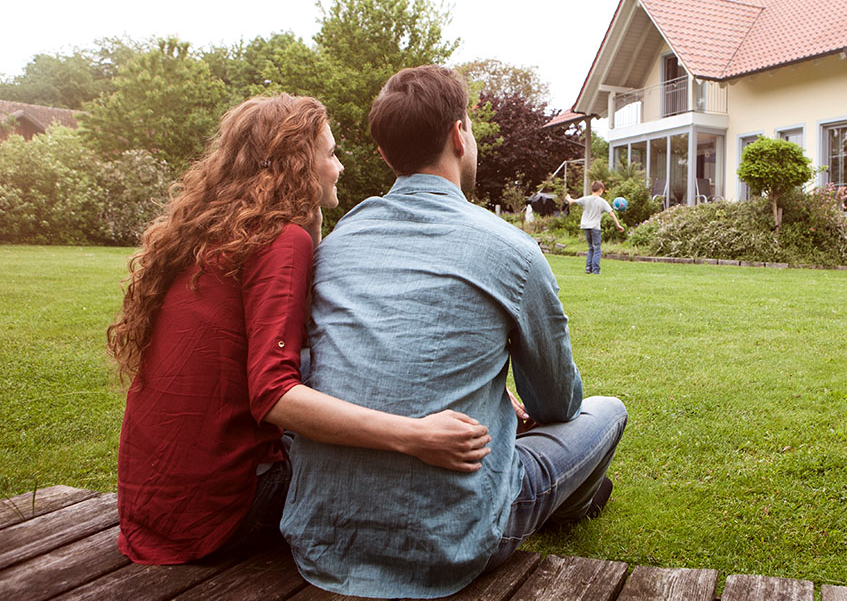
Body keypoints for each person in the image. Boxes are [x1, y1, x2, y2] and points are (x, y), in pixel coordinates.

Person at [281, 66, 628, 599]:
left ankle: (570, 492)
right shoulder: (512, 250)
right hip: (455, 539)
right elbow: (557, 403)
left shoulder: (339, 240)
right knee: (606, 411)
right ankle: (573, 503)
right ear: (459, 134)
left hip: (321, 538)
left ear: (383, 153)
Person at [107, 94, 491, 565]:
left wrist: (313, 224)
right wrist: (414, 434)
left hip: (152, 510)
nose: (341, 167)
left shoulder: (211, 234)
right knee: (380, 456)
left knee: (320, 363)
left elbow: (312, 342)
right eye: (330, 154)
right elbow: (274, 395)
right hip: (223, 515)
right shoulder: (279, 241)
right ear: (297, 166)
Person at [565, 181, 624, 274]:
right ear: (600, 190)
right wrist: (618, 225)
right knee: (597, 248)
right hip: (595, 227)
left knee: (590, 248)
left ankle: (588, 268)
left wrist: (568, 198)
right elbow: (611, 214)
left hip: (585, 226)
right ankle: (596, 270)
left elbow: (572, 201)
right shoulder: (602, 201)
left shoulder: (585, 199)